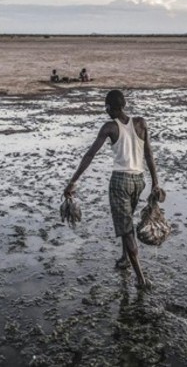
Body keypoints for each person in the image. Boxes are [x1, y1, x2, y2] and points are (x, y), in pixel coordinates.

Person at [65, 90, 162, 290]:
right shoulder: (141, 123)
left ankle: (141, 279)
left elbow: (90, 154)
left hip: (120, 182)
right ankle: (124, 258)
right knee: (126, 220)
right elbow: (149, 155)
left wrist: (73, 181)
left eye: (106, 107)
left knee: (126, 229)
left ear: (110, 107)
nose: (106, 110)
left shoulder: (110, 127)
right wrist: (155, 183)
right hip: (138, 180)